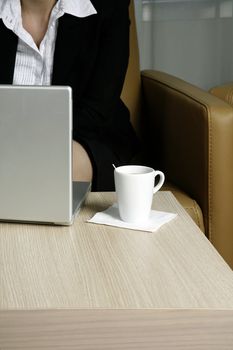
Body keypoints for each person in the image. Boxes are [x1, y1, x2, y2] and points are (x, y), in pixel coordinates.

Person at [0, 0, 140, 191]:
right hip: (4, 141)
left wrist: (32, 146)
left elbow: (99, 108)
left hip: (87, 137)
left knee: (56, 167)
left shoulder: (109, 6)